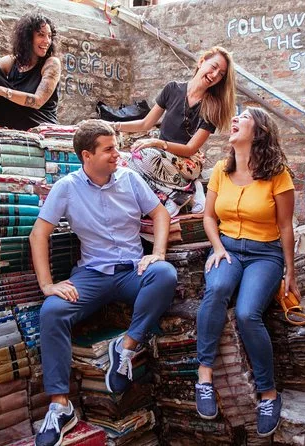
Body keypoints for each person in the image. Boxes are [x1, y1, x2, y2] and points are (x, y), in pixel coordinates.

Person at [29, 120, 177, 446]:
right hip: (92, 275)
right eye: (109, 149)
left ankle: (125, 348)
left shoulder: (130, 179)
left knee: (165, 274)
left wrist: (158, 253)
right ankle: (60, 406)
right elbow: (39, 234)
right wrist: (47, 285)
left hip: (132, 271)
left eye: (116, 147)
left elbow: (160, 214)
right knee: (52, 311)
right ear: (87, 155)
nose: (117, 154)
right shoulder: (66, 187)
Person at [194, 107, 298, 437]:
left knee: (247, 313)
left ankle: (268, 394)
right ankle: (204, 376)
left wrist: (290, 273)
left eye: (245, 117)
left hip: (264, 254)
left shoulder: (278, 174)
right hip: (227, 248)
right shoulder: (220, 171)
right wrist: (217, 248)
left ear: (260, 132)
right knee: (217, 289)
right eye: (236, 117)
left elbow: (286, 227)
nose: (235, 120)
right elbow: (208, 216)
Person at [113, 46, 236, 216]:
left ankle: (179, 194)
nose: (215, 75)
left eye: (221, 74)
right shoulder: (172, 89)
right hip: (160, 158)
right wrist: (113, 125)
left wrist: (157, 143)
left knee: (146, 155)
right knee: (119, 161)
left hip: (188, 161)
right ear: (201, 62)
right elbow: (145, 123)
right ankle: (184, 191)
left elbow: (190, 149)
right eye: (214, 67)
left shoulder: (213, 107)